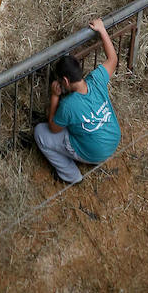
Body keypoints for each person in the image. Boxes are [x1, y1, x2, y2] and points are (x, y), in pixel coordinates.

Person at [33, 19, 120, 184]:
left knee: (40, 133)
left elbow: (53, 128)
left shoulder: (68, 105)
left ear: (65, 82)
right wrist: (102, 30)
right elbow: (113, 59)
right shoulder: (96, 79)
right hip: (113, 140)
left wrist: (54, 96)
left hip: (95, 153)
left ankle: (72, 176)